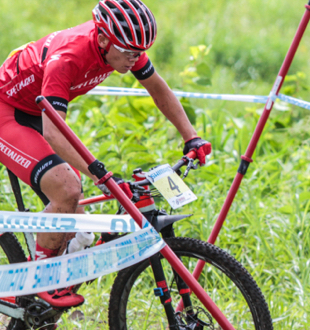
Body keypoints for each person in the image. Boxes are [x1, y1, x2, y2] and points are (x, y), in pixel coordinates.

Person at [0, 0, 211, 308]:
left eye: (140, 52)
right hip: (8, 112)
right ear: (101, 38)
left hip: (35, 109)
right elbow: (53, 132)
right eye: (129, 52)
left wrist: (191, 136)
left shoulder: (122, 48)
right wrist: (97, 173)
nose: (135, 59)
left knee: (81, 231)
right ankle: (37, 281)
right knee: (68, 187)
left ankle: (50, 271)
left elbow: (157, 88)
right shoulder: (69, 57)